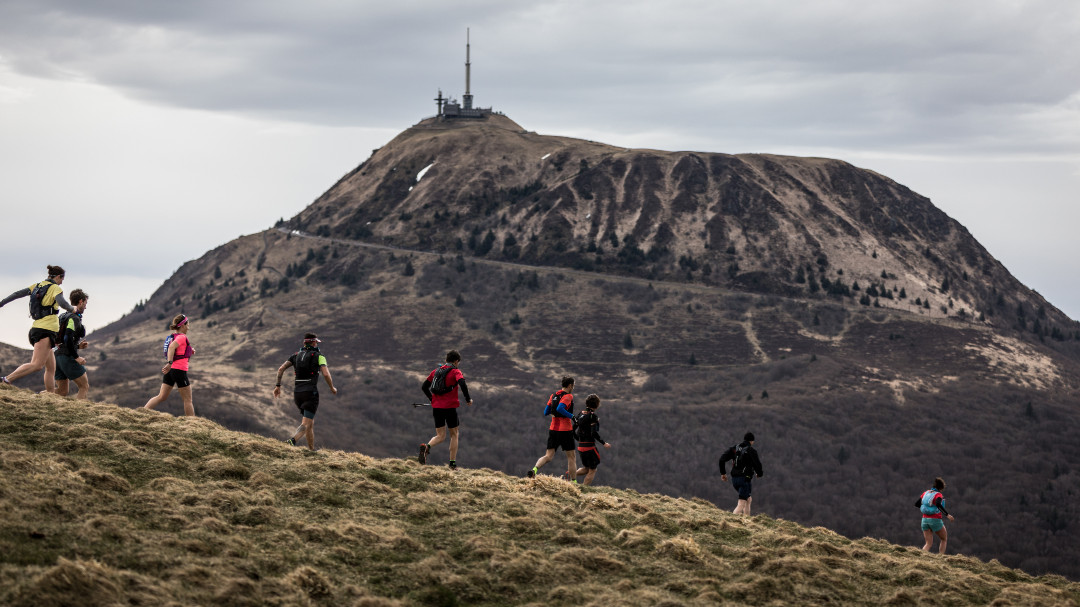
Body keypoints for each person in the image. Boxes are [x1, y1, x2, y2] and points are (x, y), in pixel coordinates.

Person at [0, 265, 75, 391]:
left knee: (51, 368)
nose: (62, 282)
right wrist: (72, 309)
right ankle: (6, 380)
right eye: (62, 279)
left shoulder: (37, 286)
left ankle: (50, 396)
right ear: (58, 276)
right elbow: (62, 303)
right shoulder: (55, 288)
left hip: (40, 329)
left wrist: (2, 303)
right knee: (37, 365)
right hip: (45, 331)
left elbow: (17, 294)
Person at [273, 332, 338, 450]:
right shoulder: (319, 356)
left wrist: (278, 385)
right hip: (310, 394)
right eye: (316, 342)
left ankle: (311, 450)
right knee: (306, 424)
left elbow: (281, 369)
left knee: (310, 423)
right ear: (314, 343)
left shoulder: (295, 355)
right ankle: (292, 441)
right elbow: (326, 374)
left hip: (298, 394)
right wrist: (332, 388)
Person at [418, 350, 473, 470]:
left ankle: (427, 446)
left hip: (437, 408)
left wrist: (432, 399)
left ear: (446, 360)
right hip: (450, 408)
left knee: (440, 436)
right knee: (454, 434)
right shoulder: (455, 371)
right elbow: (462, 383)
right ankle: (452, 464)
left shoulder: (436, 371)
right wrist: (468, 399)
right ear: (456, 361)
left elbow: (424, 386)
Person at [143, 314, 196, 416]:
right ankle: (193, 424)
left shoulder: (174, 336)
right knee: (188, 400)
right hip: (179, 370)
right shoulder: (182, 337)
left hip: (171, 370)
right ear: (183, 325)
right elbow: (172, 347)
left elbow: (177, 350)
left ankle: (142, 412)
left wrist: (190, 351)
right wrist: (170, 362)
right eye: (188, 324)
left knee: (161, 396)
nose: (189, 326)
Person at [527, 376, 578, 482]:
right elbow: (560, 408)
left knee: (548, 456)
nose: (573, 387)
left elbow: (546, 412)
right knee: (571, 457)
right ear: (570, 385)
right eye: (573, 385)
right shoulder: (568, 396)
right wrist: (572, 416)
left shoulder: (553, 395)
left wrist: (554, 414)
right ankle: (574, 482)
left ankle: (534, 470)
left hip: (553, 430)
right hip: (565, 430)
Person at [53, 289, 91, 399]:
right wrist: (77, 357)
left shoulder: (63, 315)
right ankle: (79, 414)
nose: (85, 307)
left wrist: (78, 346)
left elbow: (62, 338)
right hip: (67, 357)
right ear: (81, 301)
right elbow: (67, 337)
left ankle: (37, 397)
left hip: (57, 356)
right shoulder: (74, 318)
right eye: (85, 303)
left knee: (62, 391)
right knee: (84, 386)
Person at [718, 432, 764, 515]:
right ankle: (731, 521)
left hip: (735, 480)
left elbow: (722, 459)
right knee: (741, 503)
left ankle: (747, 520)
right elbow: (758, 464)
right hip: (744, 480)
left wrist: (723, 473)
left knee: (748, 499)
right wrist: (759, 474)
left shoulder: (734, 448)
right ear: (752, 441)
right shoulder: (751, 450)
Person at [572, 394, 612, 486]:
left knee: (586, 468)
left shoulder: (580, 414)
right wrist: (604, 443)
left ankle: (569, 474)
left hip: (581, 447)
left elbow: (572, 430)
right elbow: (594, 433)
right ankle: (584, 489)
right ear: (597, 405)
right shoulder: (593, 416)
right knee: (593, 469)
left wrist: (579, 439)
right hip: (589, 447)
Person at [916, 477, 956, 554]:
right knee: (944, 539)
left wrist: (926, 509)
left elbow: (917, 504)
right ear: (941, 488)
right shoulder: (938, 495)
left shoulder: (925, 493)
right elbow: (938, 504)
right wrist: (947, 515)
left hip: (924, 520)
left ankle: (920, 558)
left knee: (928, 543)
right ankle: (940, 557)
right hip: (935, 520)